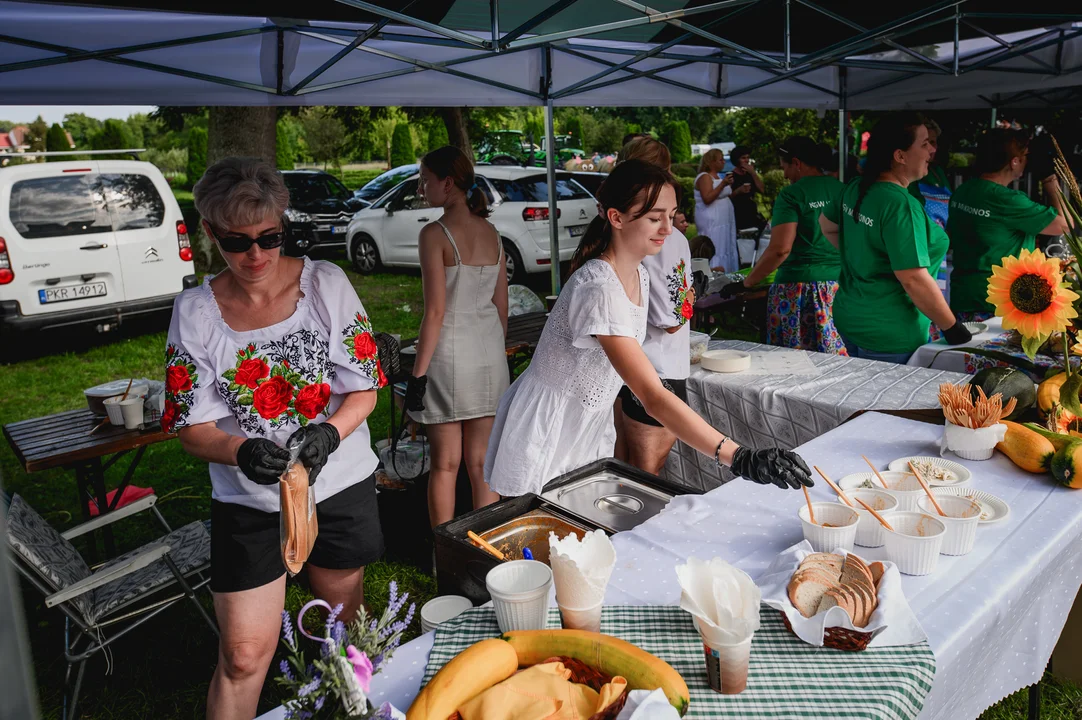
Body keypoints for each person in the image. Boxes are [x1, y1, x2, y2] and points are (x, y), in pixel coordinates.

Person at [165, 158, 385, 720]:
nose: (256, 256)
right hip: (249, 501)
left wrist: (329, 435)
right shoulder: (195, 313)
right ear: (211, 233)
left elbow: (365, 390)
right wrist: (238, 449)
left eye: (270, 237)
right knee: (241, 656)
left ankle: (341, 710)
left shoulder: (325, 285)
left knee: (334, 635)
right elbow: (191, 429)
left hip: (336, 486)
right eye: (238, 242)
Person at [484, 159, 813, 497]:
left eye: (671, 216)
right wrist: (739, 456)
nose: (668, 229)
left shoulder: (639, 275)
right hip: (549, 428)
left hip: (583, 424)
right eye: (656, 218)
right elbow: (653, 396)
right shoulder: (598, 288)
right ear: (616, 218)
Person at [406, 146, 508, 528]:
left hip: (449, 358)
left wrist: (417, 375)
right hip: (489, 356)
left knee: (445, 465)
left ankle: (442, 554)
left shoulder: (434, 234)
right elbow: (502, 307)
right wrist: (495, 351)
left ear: (447, 183)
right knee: (482, 462)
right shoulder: (493, 232)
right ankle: (488, 550)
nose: (420, 187)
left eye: (424, 180)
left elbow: (435, 312)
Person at [819, 113, 973, 364]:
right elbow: (913, 278)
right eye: (924, 144)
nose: (932, 150)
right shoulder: (900, 205)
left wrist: (863, 259)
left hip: (852, 316)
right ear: (899, 155)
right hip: (890, 331)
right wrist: (952, 327)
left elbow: (827, 227)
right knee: (886, 403)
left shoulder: (855, 187)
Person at [610, 137, 695, 475]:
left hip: (620, 365)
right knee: (645, 476)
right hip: (658, 368)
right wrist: (691, 298)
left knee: (620, 467)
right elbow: (672, 318)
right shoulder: (667, 237)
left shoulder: (615, 227)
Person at [948, 129, 1070, 322]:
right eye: (1024, 156)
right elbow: (1064, 225)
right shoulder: (1007, 200)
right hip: (997, 305)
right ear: (1014, 161)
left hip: (964, 296)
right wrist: (1049, 179)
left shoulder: (964, 191)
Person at [738, 137, 846, 354]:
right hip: (840, 287)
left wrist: (748, 283)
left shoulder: (792, 194)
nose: (785, 175)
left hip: (797, 291)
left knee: (793, 364)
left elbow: (780, 249)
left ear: (796, 162)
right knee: (837, 363)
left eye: (785, 167)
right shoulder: (842, 190)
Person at [695, 149, 738, 272]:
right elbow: (707, 198)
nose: (723, 162)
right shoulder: (704, 177)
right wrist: (723, 184)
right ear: (711, 162)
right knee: (716, 246)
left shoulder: (718, 176)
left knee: (725, 246)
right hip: (712, 221)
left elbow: (722, 196)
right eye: (721, 159)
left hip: (724, 221)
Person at [730, 145, 766, 231]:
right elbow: (727, 196)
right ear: (736, 159)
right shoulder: (731, 176)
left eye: (747, 158)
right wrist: (738, 191)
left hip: (751, 211)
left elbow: (762, 189)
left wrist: (753, 173)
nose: (746, 160)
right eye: (743, 158)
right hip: (738, 213)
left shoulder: (750, 175)